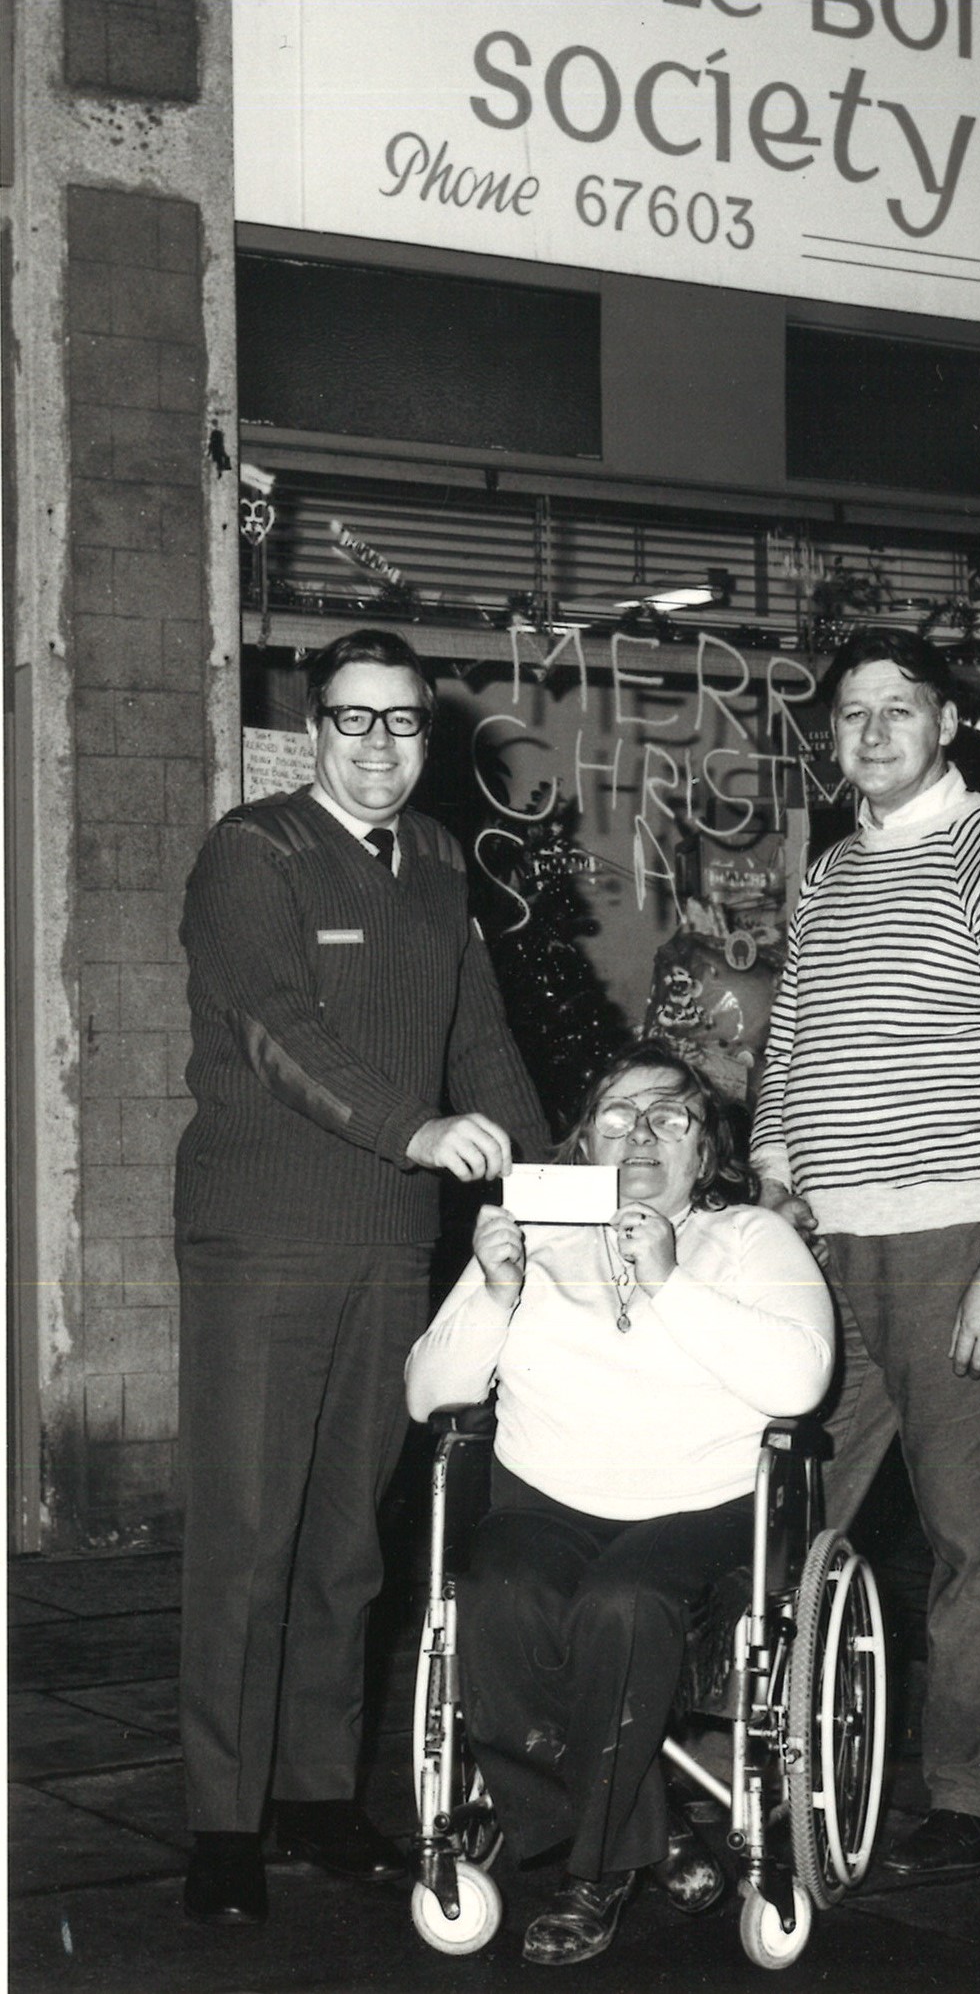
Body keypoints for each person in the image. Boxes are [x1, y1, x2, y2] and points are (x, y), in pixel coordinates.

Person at [174, 627, 550, 1927]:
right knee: (248, 1539)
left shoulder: (442, 861)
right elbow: (277, 1026)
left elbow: (480, 1035)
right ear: (312, 723)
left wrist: (556, 1187)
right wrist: (417, 1130)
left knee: (348, 1539)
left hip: (391, 1242)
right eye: (353, 719)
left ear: (426, 736)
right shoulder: (253, 851)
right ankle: (224, 1819)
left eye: (402, 723)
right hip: (265, 1236)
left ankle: (319, 1794)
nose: (379, 746)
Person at [751, 626, 980, 1884]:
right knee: (787, 1513)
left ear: (945, 724)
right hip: (827, 1246)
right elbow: (789, 1041)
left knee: (972, 1534)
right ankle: (760, 1758)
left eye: (899, 709)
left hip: (952, 1247)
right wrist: (775, 1179)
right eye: (851, 715)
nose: (872, 732)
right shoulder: (831, 874)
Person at [405, 1040, 834, 1966]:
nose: (639, 1132)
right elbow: (426, 1392)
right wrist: (495, 1288)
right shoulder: (534, 1237)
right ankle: (648, 1825)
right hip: (549, 1496)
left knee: (623, 1603)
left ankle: (594, 1872)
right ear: (583, 1145)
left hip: (701, 1506)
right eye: (615, 1116)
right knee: (494, 1593)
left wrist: (670, 1278)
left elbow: (799, 1381)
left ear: (704, 1148)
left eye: (668, 1116)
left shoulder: (756, 1239)